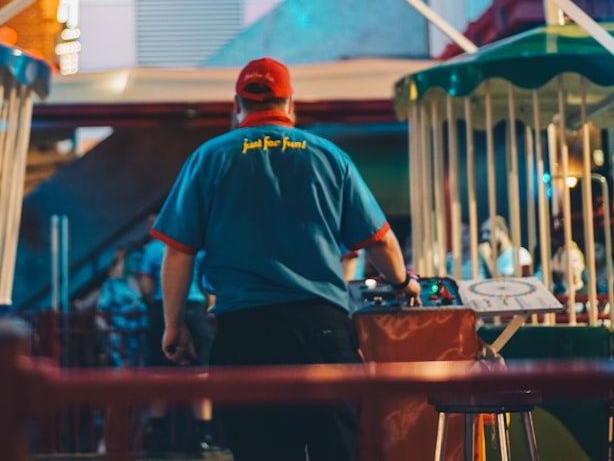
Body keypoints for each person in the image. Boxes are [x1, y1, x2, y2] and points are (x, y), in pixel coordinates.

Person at [151, 57, 420, 461]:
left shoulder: (209, 158)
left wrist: (174, 326)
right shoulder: (328, 156)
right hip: (322, 332)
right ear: (290, 103)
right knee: (338, 452)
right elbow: (380, 243)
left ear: (237, 104)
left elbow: (177, 252)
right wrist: (402, 284)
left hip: (244, 335)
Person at [139, 225, 220, 457]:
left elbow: (145, 285)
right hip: (195, 310)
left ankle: (156, 437)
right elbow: (209, 283)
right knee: (202, 374)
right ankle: (203, 438)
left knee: (158, 375)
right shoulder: (200, 248)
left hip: (161, 311)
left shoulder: (153, 248)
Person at [97, 248, 147, 368]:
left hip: (143, 339)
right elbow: (100, 314)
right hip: (120, 339)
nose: (137, 262)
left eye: (141, 259)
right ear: (126, 261)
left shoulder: (148, 285)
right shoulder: (113, 284)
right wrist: (109, 334)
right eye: (134, 259)